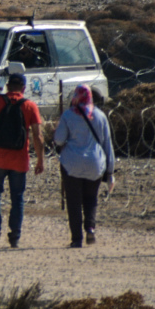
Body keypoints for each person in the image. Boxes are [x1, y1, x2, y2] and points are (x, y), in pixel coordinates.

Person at [0, 73, 45, 248]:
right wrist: (40, 160)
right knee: (17, 197)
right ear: (23, 88)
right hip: (19, 159)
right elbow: (38, 136)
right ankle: (14, 235)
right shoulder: (30, 106)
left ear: (7, 86)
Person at [54, 85, 115, 248]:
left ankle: (76, 239)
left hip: (72, 164)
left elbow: (59, 139)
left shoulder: (68, 115)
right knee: (91, 198)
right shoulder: (100, 116)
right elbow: (107, 144)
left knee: (73, 202)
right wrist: (110, 172)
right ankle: (90, 228)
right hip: (95, 164)